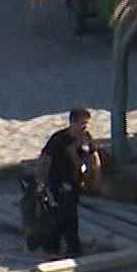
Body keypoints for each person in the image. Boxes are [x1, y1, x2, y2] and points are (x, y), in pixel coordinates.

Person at [36, 107, 101, 258]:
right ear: (73, 123)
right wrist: (40, 180)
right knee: (62, 215)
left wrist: (97, 175)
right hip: (58, 183)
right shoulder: (59, 139)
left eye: (87, 124)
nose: (85, 127)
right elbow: (44, 159)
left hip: (76, 183)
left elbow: (94, 156)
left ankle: (72, 247)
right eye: (83, 124)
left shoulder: (86, 137)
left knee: (71, 215)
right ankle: (57, 247)